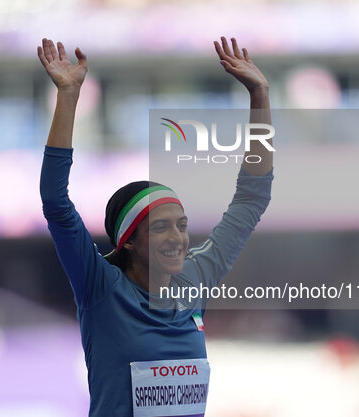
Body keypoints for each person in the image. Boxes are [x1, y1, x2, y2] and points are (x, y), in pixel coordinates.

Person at [38, 36, 274, 417]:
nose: (179, 238)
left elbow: (252, 199)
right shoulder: (101, 288)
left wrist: (260, 96)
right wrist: (68, 95)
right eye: (162, 227)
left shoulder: (194, 280)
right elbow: (56, 203)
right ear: (130, 241)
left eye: (181, 225)